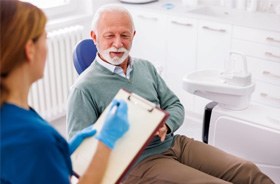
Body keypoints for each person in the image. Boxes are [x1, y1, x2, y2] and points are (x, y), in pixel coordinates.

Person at [66, 4, 274, 184]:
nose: (118, 43)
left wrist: (167, 125)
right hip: (140, 163)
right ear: (94, 37)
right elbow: (81, 155)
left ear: (134, 36)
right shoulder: (84, 88)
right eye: (109, 35)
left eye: (125, 35)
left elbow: (175, 105)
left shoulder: (145, 68)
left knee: (248, 171)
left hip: (175, 143)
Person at [0, 1, 129, 184]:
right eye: (45, 38)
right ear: (30, 49)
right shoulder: (34, 138)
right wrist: (106, 142)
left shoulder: (13, 114)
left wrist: (60, 151)